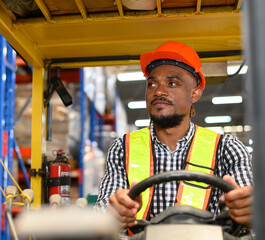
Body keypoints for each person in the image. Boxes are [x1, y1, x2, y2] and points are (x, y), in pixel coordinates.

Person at [95, 41, 253, 229]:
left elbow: (249, 203)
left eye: (172, 83)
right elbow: (104, 211)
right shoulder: (123, 147)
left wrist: (249, 207)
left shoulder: (226, 148)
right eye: (152, 83)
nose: (159, 91)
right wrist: (115, 212)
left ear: (195, 94)